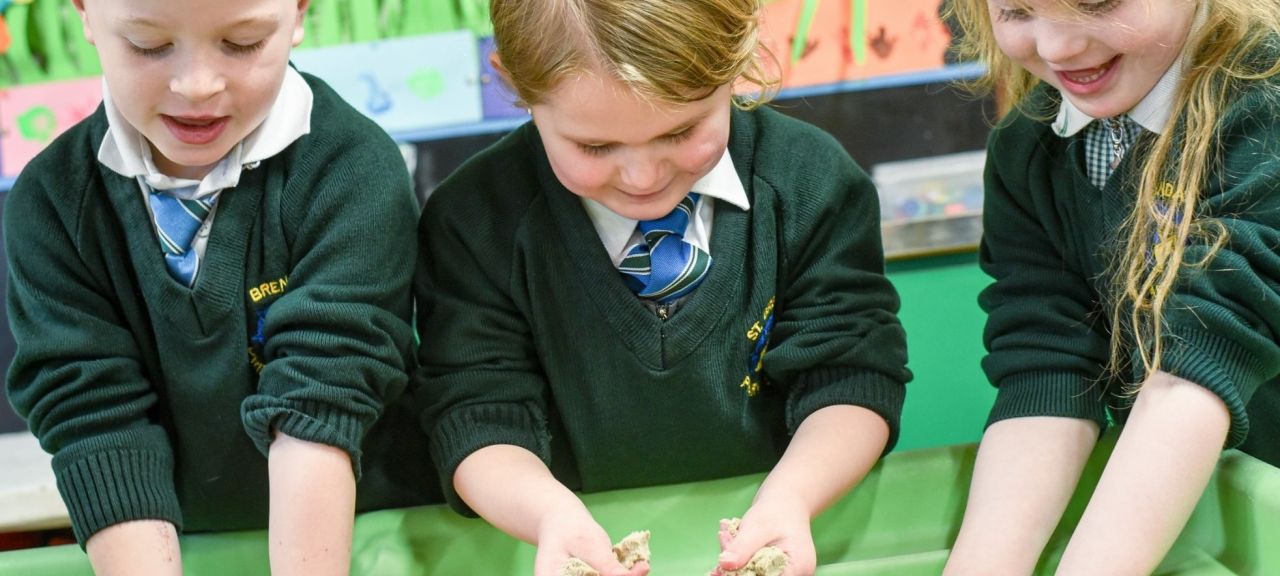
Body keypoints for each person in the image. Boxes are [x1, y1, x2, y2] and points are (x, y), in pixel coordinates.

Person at [414, 1, 912, 575]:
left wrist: (793, 499)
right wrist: (550, 519)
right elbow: (476, 413)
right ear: (515, 85)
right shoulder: (475, 220)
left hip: (782, 532)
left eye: (681, 131)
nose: (643, 177)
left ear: (737, 62)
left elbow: (851, 374)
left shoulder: (811, 182)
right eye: (596, 148)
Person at [4, 0, 437, 574]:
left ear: (301, 12)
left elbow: (322, 396)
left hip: (368, 535)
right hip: (181, 546)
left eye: (242, 43)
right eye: (149, 46)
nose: (198, 85)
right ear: (84, 12)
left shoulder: (352, 169)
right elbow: (96, 419)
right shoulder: (53, 202)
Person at [942, 0, 1280, 573]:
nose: (1056, 48)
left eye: (1095, 2)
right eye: (1018, 12)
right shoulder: (1029, 150)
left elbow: (1196, 361)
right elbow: (1047, 367)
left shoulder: (1263, 103)